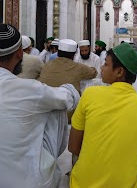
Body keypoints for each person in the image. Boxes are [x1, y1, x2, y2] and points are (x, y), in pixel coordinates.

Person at [68, 42, 137, 188]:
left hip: (81, 184)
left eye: (106, 64)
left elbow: (73, 147)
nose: (101, 68)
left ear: (119, 72)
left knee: (84, 140)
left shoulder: (90, 94)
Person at [0, 23, 80, 188]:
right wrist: (69, 88)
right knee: (55, 107)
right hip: (28, 181)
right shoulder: (28, 89)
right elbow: (68, 98)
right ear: (20, 53)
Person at [38, 39, 97, 122]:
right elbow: (93, 73)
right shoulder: (78, 67)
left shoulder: (47, 65)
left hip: (44, 111)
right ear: (74, 55)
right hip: (67, 114)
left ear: (58, 53)